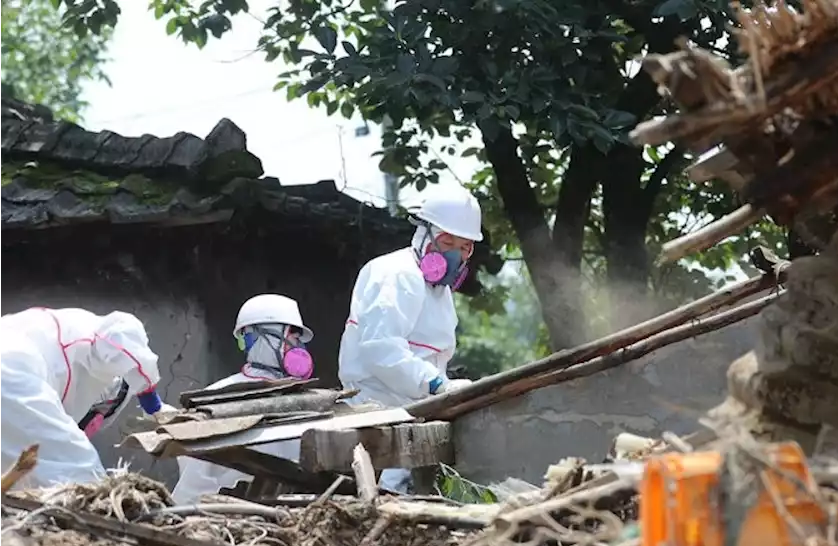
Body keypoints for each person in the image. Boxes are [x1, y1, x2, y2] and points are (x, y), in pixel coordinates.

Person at [338, 186, 481, 492]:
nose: (455, 254)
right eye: (447, 242)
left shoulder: (440, 293)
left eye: (465, 247)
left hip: (412, 410)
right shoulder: (396, 274)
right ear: (423, 233)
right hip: (377, 409)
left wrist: (440, 387)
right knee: (393, 496)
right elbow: (381, 348)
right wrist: (437, 385)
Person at [170, 294, 314, 504]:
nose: (299, 346)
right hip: (219, 521)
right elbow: (193, 484)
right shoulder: (216, 399)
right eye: (293, 336)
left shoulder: (307, 401)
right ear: (263, 337)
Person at [0, 307, 164, 489]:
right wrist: (151, 401)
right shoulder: (93, 334)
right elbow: (123, 336)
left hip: (13, 374)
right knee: (84, 481)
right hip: (10, 372)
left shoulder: (47, 333)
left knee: (19, 487)